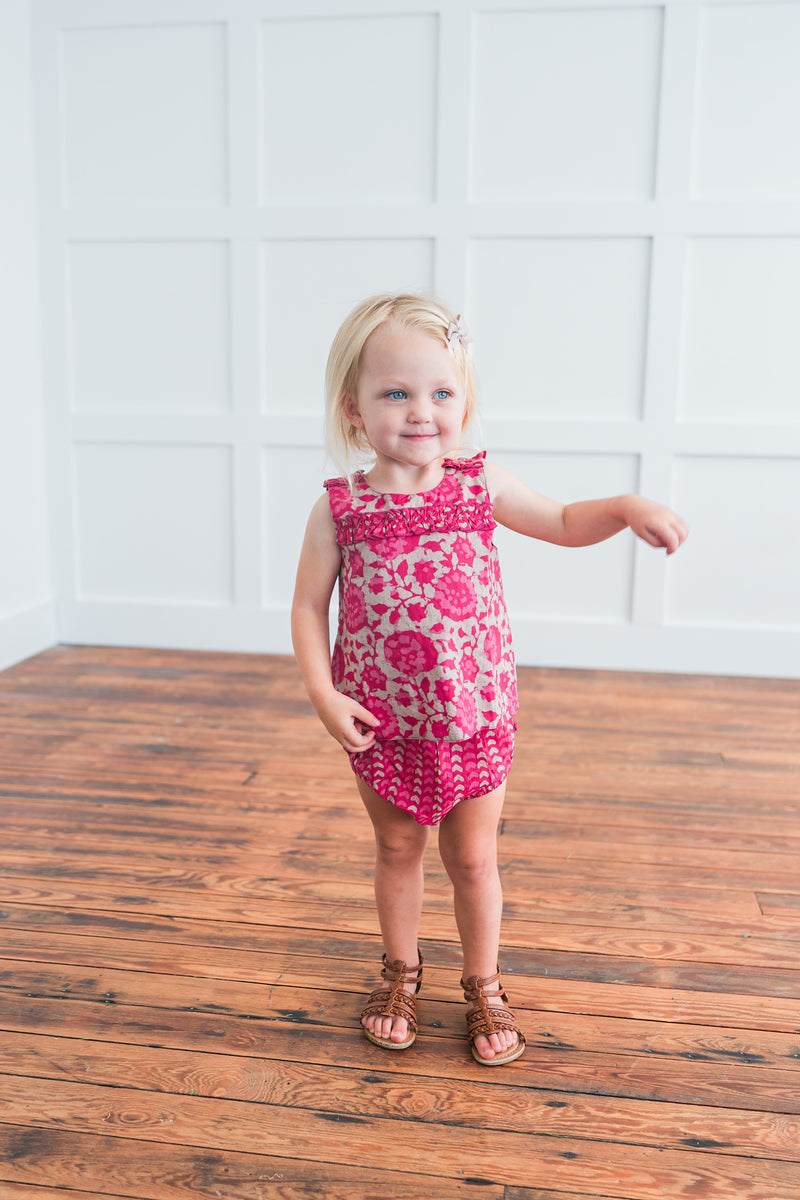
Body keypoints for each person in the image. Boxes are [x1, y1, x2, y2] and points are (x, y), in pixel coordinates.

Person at [291, 293, 688, 1066]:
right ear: (353, 408)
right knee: (397, 847)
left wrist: (628, 504)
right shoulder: (340, 509)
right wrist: (321, 691)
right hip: (381, 720)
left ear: (464, 400)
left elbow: (568, 521)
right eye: (395, 393)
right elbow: (309, 607)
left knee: (472, 859)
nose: (420, 412)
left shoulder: (480, 485)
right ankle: (400, 972)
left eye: (441, 392)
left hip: (476, 716)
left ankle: (483, 983)